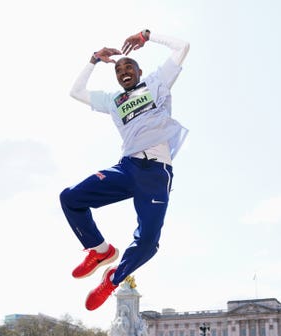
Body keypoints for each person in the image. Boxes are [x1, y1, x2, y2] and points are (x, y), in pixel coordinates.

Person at [61, 29, 190, 311]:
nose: (123, 71)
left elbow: (182, 47)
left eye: (128, 66)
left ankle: (113, 279)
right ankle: (99, 250)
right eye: (119, 69)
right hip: (128, 166)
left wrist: (148, 35)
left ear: (139, 70)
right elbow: (76, 92)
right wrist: (94, 59)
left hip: (156, 174)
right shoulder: (113, 101)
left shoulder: (157, 83)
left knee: (148, 242)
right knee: (70, 198)